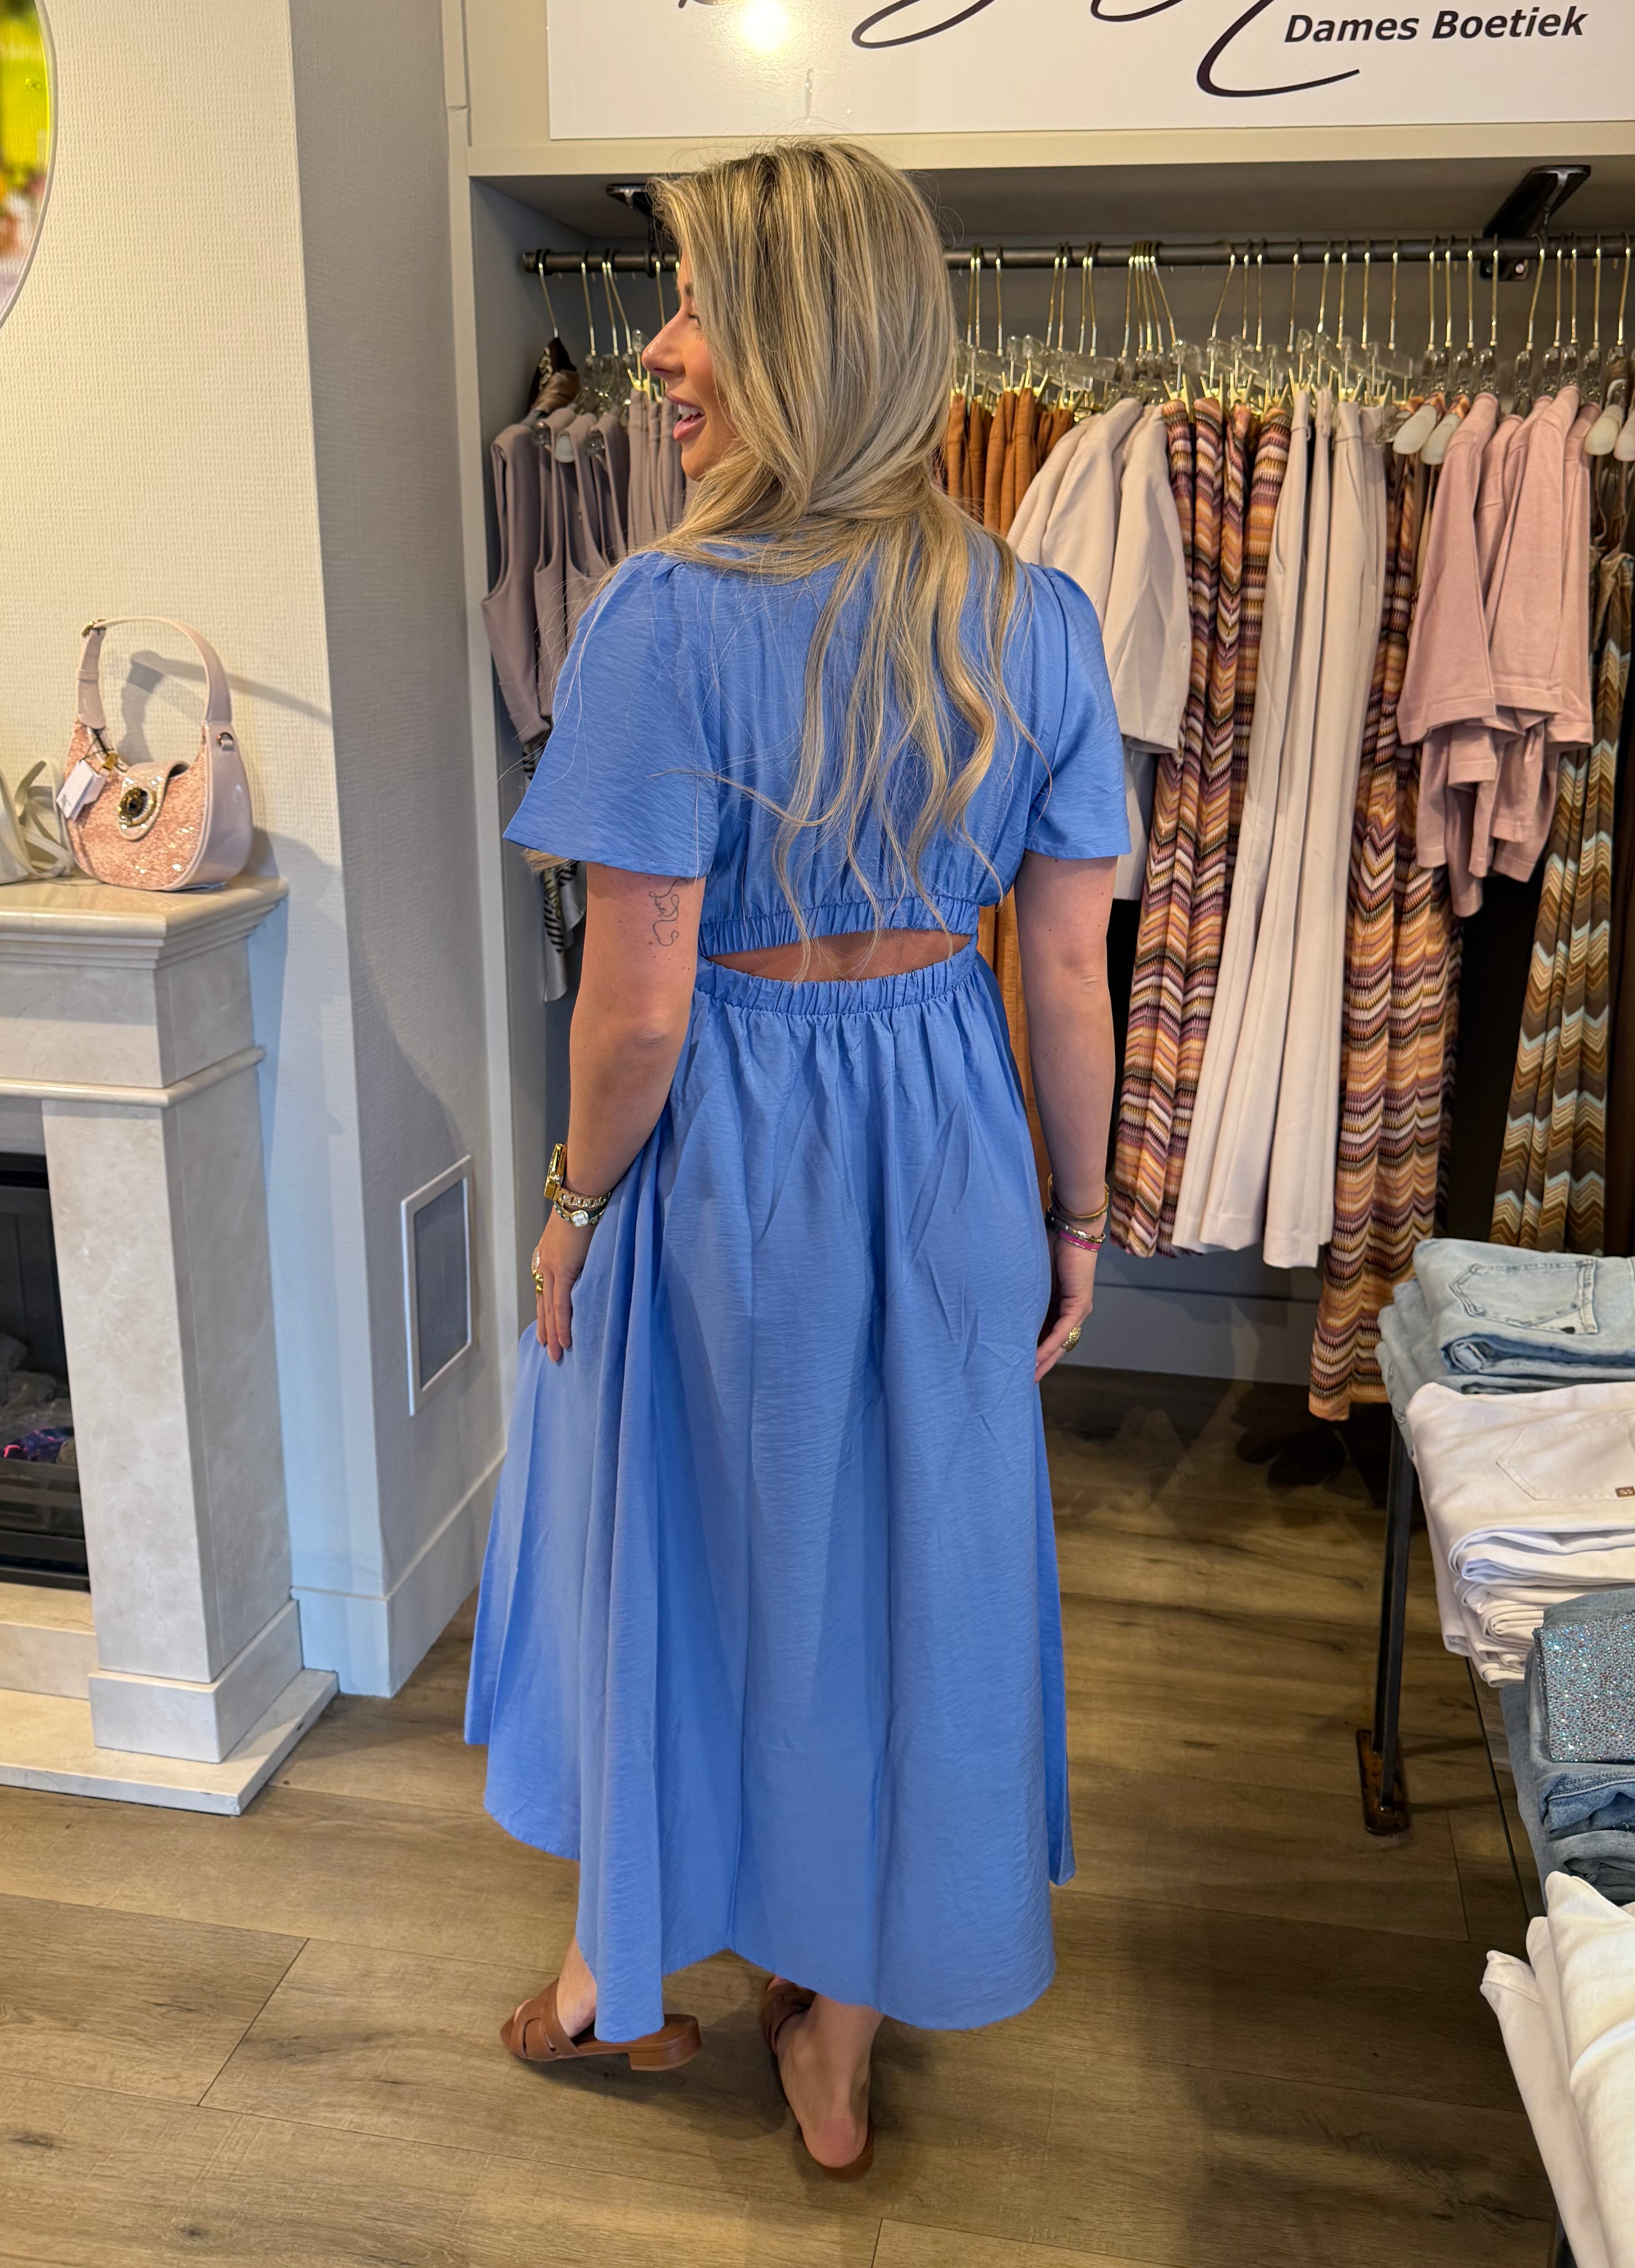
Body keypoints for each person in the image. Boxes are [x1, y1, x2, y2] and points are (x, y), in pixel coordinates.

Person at [465, 139, 1126, 2179]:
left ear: (803, 342)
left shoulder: (666, 617)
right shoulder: (1039, 620)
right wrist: (1074, 1214)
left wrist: (570, 1206)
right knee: (909, 1574)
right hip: (944, 1128)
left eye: (699, 309)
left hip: (731, 1148)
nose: (659, 351)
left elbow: (640, 1005)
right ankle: (833, 2041)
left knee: (677, 1545)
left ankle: (623, 1966)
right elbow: (1066, 971)